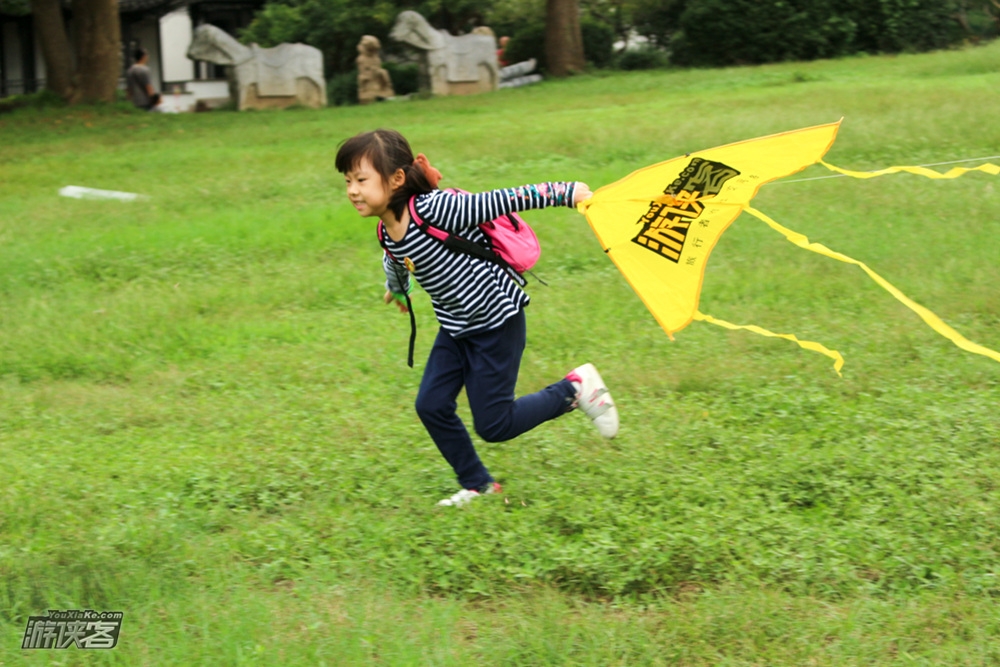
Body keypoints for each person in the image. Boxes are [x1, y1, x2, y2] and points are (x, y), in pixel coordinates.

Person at [336, 129, 619, 507]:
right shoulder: (387, 228)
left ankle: (575, 389)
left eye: (361, 180)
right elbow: (396, 259)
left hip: (496, 321)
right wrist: (398, 289)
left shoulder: (434, 209)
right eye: (348, 181)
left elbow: (501, 200)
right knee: (431, 405)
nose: (353, 190)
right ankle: (479, 486)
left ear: (396, 179)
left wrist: (567, 192)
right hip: (456, 327)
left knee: (495, 425)